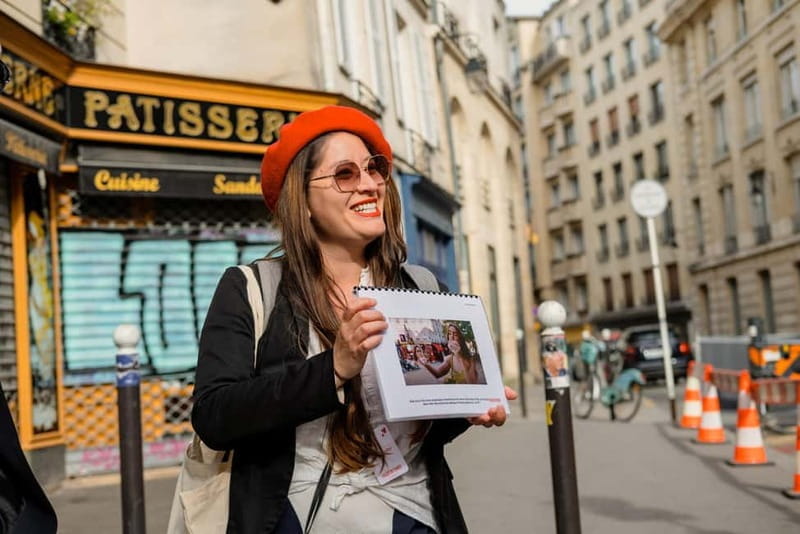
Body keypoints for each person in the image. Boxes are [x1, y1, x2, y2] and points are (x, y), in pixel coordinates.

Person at [191, 105, 515, 534]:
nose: (368, 184)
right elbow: (215, 416)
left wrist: (469, 406)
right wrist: (334, 368)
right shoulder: (251, 288)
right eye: (345, 174)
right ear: (303, 200)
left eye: (374, 168)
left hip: (414, 515)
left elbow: (422, 427)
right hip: (303, 516)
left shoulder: (421, 286)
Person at [421, 323, 486, 385]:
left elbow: (472, 382)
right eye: (449, 333)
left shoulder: (471, 359)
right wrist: (426, 364)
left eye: (455, 334)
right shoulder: (450, 359)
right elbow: (438, 374)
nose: (451, 337)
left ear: (460, 338)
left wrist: (458, 354)